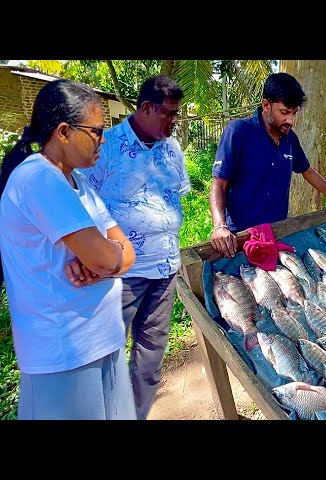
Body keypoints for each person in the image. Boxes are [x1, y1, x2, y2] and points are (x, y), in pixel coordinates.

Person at [0, 79, 137, 419]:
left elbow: (126, 253)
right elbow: (109, 255)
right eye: (96, 131)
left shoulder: (79, 183)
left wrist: (107, 262)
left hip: (101, 340)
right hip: (63, 354)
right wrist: (108, 259)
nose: (103, 140)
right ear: (63, 132)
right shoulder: (38, 179)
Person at [83, 75, 191, 420]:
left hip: (166, 270)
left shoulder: (172, 148)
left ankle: (135, 415)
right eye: (169, 114)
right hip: (122, 274)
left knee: (150, 359)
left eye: (178, 114)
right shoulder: (107, 147)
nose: (175, 121)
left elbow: (176, 196)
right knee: (105, 356)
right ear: (145, 108)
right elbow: (82, 205)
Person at [209, 72, 326, 258]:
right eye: (284, 112)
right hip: (240, 237)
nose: (291, 120)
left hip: (276, 233)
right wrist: (219, 226)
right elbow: (218, 184)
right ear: (266, 106)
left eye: (294, 113)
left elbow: (308, 172)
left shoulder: (290, 139)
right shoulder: (238, 132)